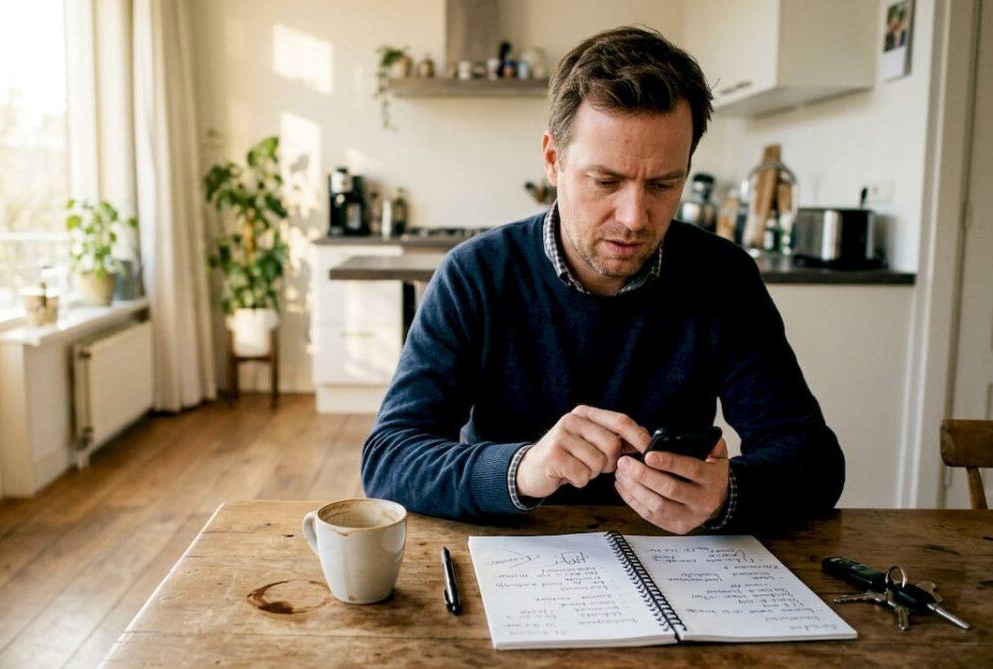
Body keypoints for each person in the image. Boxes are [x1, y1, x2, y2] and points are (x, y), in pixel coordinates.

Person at [360, 26, 844, 534]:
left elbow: (814, 460)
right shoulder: (475, 275)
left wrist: (729, 494)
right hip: (511, 555)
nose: (635, 217)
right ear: (553, 160)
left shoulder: (722, 276)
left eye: (662, 184)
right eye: (606, 181)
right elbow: (390, 458)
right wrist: (522, 469)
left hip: (674, 568)